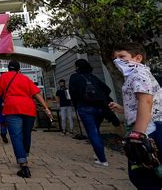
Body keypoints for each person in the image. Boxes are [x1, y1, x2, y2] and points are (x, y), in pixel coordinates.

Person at [108, 43, 162, 190]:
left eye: (122, 57)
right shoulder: (138, 74)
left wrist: (138, 134)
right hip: (150, 126)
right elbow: (141, 102)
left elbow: (146, 100)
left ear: (137, 58)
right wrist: (123, 109)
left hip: (148, 129)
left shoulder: (138, 74)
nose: (117, 61)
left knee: (141, 175)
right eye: (115, 58)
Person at [0, 61, 52, 178]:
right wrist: (46, 108)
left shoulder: (4, 77)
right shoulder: (25, 78)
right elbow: (37, 93)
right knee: (26, 134)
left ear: (8, 68)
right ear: (19, 69)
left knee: (16, 136)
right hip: (29, 109)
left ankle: (23, 164)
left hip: (12, 108)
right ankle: (24, 154)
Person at [69, 58, 112, 167]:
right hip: (100, 108)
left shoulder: (75, 77)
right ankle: (99, 154)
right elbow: (107, 89)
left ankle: (102, 159)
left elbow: (72, 93)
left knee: (93, 132)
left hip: (85, 108)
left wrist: (76, 104)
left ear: (77, 67)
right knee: (96, 131)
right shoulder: (93, 77)